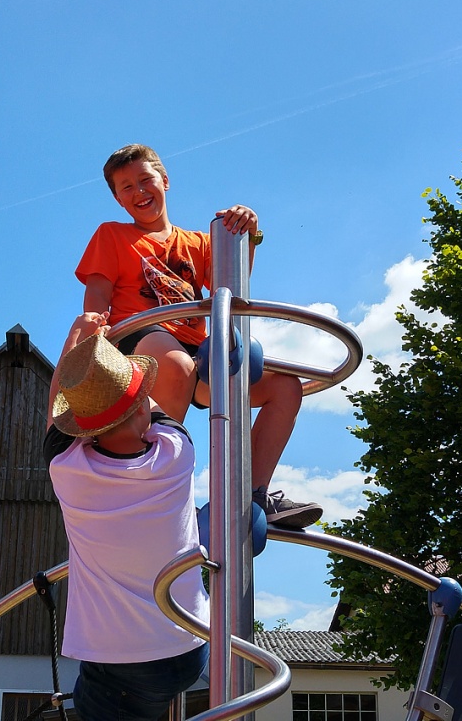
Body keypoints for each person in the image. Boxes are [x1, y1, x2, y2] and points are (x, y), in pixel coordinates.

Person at [71, 142, 321, 529]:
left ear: (165, 181)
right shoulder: (113, 235)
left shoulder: (198, 244)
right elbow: (98, 297)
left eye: (145, 180)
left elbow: (231, 290)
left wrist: (245, 235)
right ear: (118, 200)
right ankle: (154, 484)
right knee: (173, 362)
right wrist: (92, 336)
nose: (138, 192)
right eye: (126, 187)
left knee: (284, 386)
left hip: (196, 350)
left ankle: (252, 492)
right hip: (140, 338)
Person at [44, 312, 209, 721]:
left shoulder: (68, 471)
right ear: (142, 412)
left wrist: (80, 341)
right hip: (189, 641)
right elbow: (144, 403)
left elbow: (58, 409)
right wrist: (92, 345)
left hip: (116, 659)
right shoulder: (176, 453)